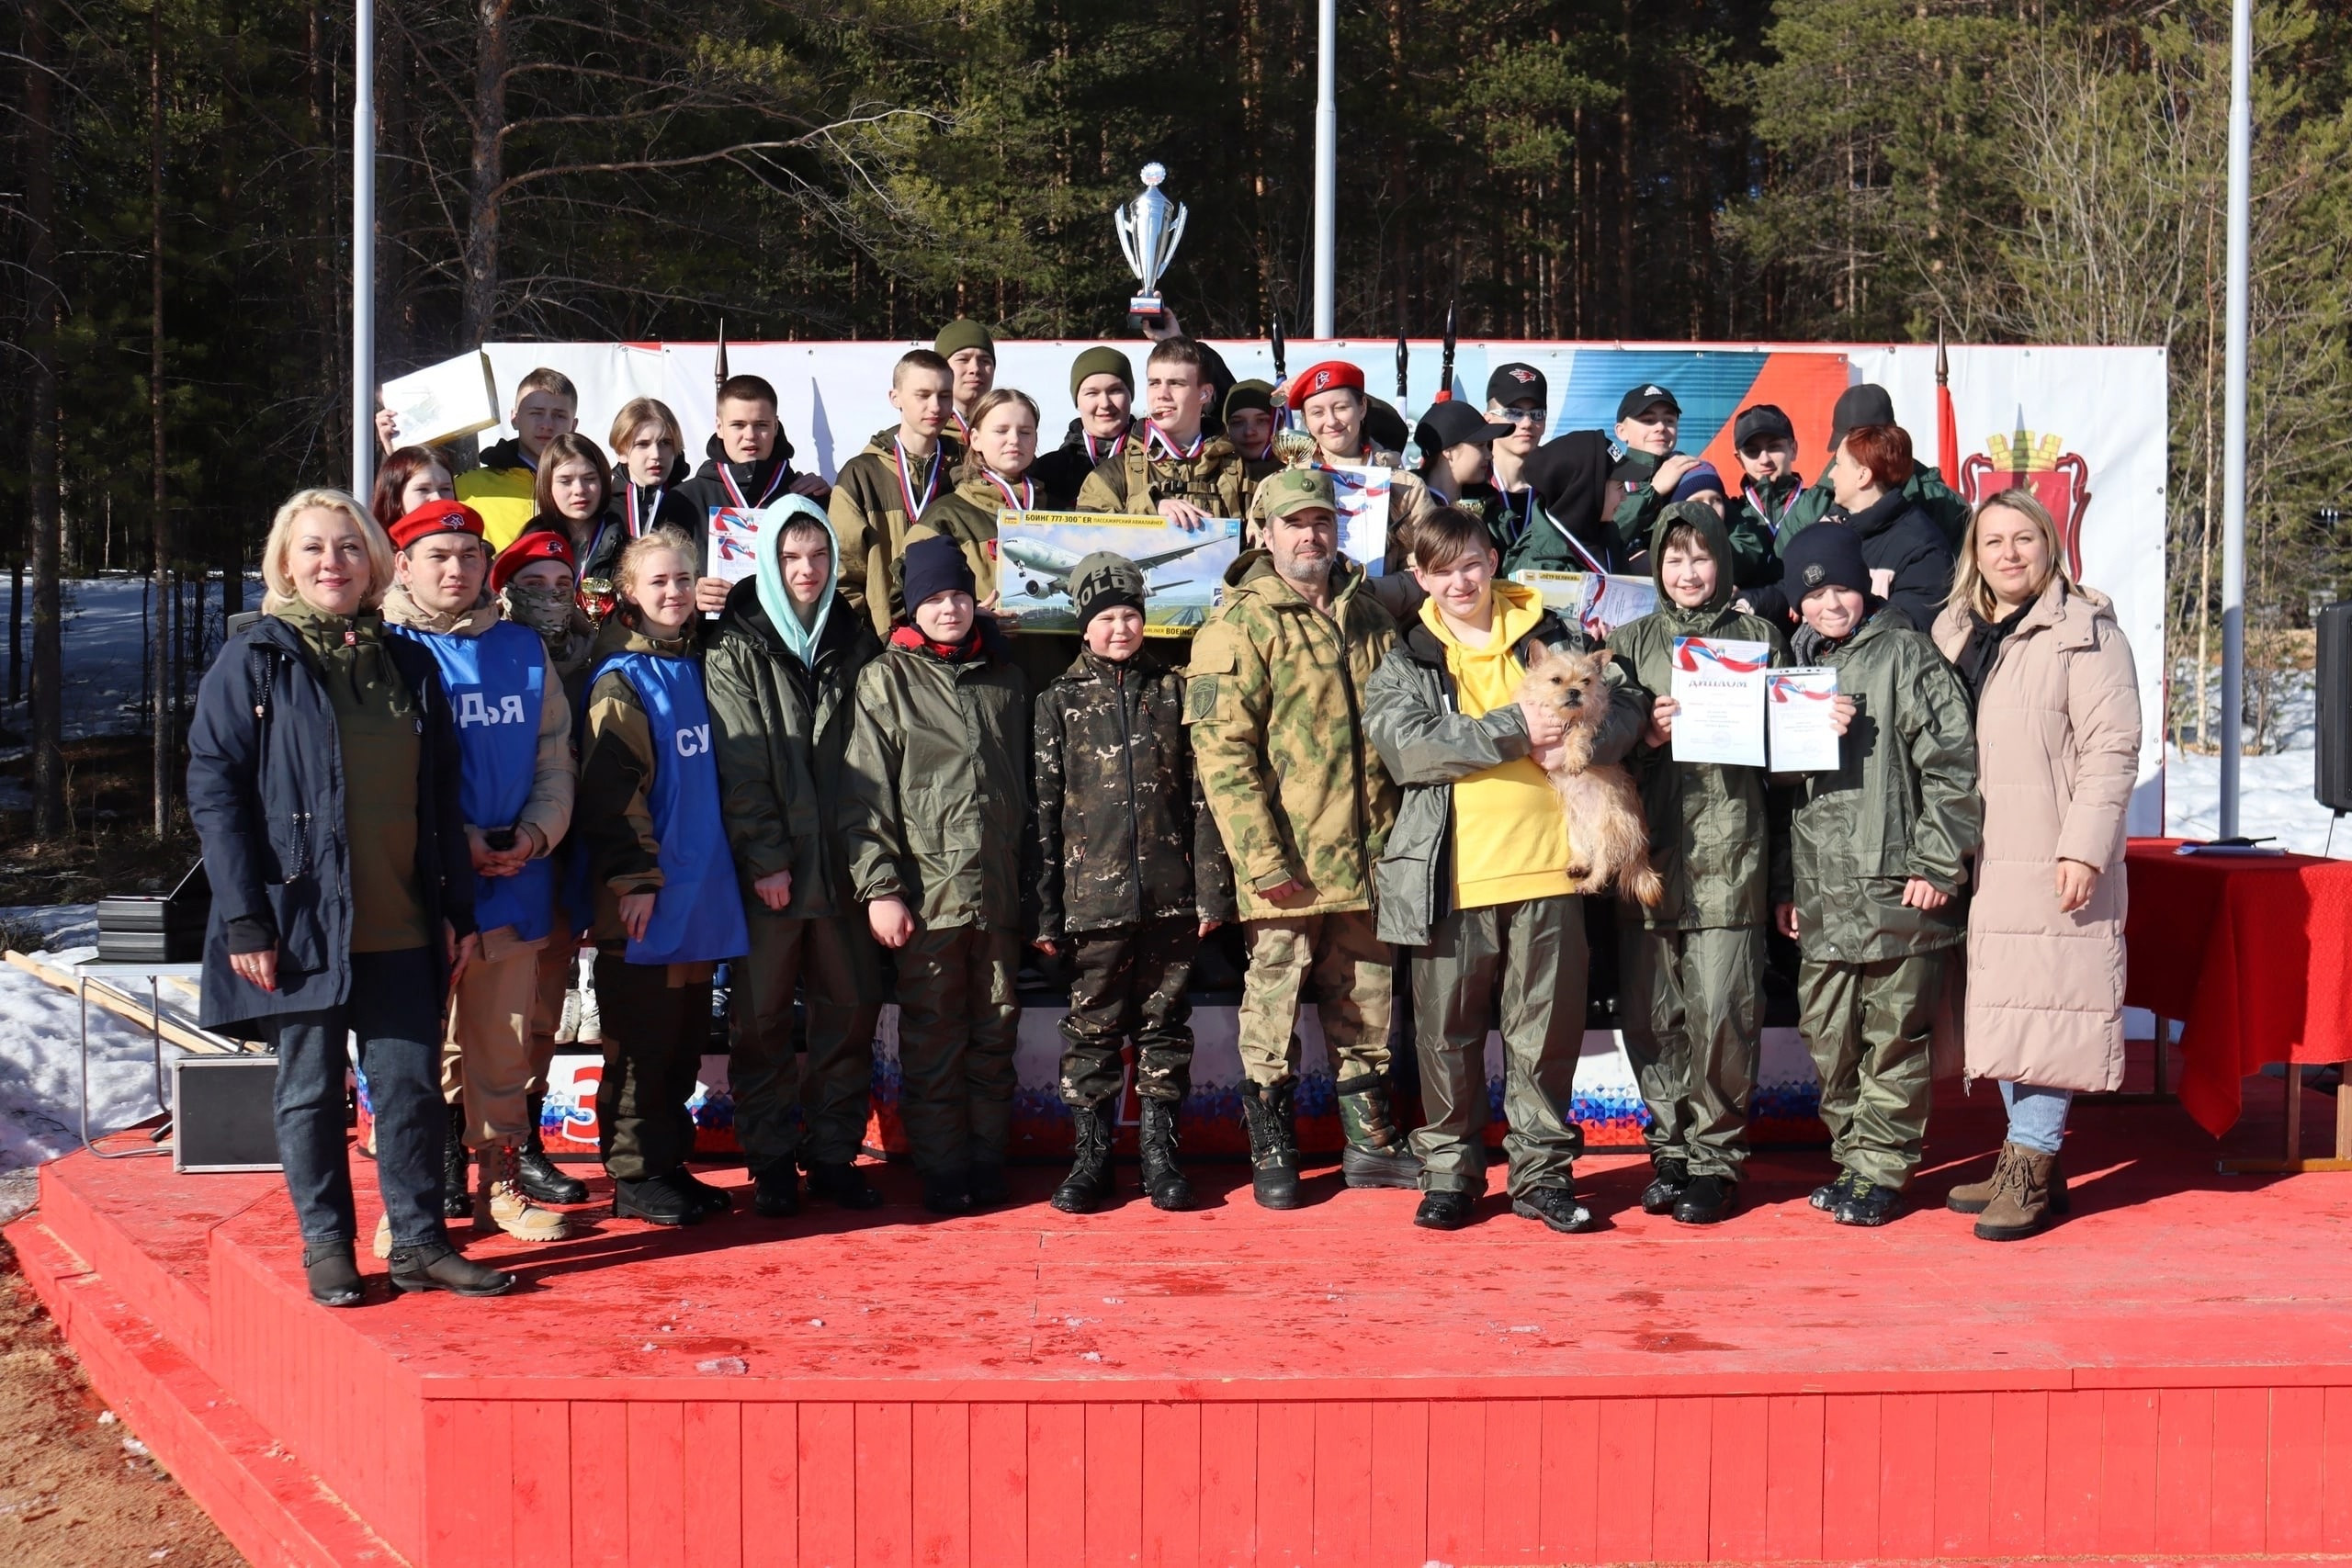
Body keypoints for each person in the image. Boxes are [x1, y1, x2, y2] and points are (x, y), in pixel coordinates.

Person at [186, 489, 511, 1304]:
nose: (332, 562)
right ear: (286, 563)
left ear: (373, 562)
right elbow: (215, 793)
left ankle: (420, 1242)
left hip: (401, 915)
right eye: (314, 549)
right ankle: (327, 1243)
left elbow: (440, 794)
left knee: (408, 1091)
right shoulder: (256, 657)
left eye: (349, 547)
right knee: (309, 1091)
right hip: (298, 921)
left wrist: (457, 908)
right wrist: (242, 917)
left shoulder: (406, 659)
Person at [1364, 506, 1646, 1235]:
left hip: (1554, 869)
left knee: (1545, 1035)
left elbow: (1624, 710)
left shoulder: (1551, 633)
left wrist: (1583, 741)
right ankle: (1451, 1174)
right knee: (1445, 1035)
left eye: (1470, 563)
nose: (1459, 580)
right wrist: (1516, 732)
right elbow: (1410, 748)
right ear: (1420, 576)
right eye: (1440, 569)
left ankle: (1543, 1177)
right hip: (1453, 872)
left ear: (1491, 560)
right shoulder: (1410, 655)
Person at [1185, 467, 1418, 1208]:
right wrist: (1261, 860)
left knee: (1368, 1002)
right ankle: (1272, 1145)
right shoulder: (1241, 623)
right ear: (1265, 533)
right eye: (1294, 523)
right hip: (1286, 863)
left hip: (1368, 858)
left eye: (1321, 521)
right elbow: (1223, 755)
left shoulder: (1370, 614)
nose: (1310, 534)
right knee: (1273, 1005)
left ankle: (1372, 1145)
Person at [1931, 491, 2140, 1240]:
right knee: (2012, 1004)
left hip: (2051, 849)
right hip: (1982, 853)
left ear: (2051, 545)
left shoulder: (2088, 634)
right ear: (1975, 555)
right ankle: (2027, 1153)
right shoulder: (1953, 630)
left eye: (2025, 538)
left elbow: (2112, 749)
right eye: (1994, 542)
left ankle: (2031, 1160)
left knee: (2051, 1002)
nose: (2010, 554)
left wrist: (2083, 846)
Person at [379, 499, 576, 1248]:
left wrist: (534, 833)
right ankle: (412, 1203)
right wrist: (449, 841)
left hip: (515, 876)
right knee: (413, 1052)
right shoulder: (386, 647)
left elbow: (556, 758)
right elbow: (377, 772)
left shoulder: (524, 649)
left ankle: (499, 1185)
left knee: (502, 1044)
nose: (456, 570)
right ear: (405, 566)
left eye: (468, 556)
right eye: (439, 557)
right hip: (418, 883)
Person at [1775, 523, 1980, 1227]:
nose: (1832, 604)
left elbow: (1954, 766)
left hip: (1898, 889)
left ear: (1865, 586)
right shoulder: (1793, 674)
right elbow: (1781, 799)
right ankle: (1853, 1157)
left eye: (1842, 587)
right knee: (1829, 1038)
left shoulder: (1906, 655)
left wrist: (1936, 861)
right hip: (1824, 898)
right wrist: (1786, 887)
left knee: (1894, 1038)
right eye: (1815, 593)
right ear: (1797, 606)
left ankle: (1880, 1171)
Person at [1033, 553, 1234, 1214]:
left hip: (1171, 897)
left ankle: (1160, 1157)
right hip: (1094, 901)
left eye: (1130, 615)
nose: (1120, 628)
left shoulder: (1174, 691)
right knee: (1091, 1033)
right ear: (1084, 628)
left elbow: (1204, 797)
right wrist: (1046, 912)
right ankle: (1091, 1160)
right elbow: (1045, 810)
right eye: (1106, 617)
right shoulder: (1057, 702)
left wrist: (1211, 888)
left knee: (1165, 1027)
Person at [706, 497, 890, 1218]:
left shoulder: (855, 640)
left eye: (817, 556)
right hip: (773, 875)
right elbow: (740, 760)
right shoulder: (737, 643)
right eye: (791, 557)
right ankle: (772, 1159)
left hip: (846, 868)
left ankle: (833, 1153)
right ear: (768, 562)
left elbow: (876, 755)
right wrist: (766, 857)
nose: (806, 570)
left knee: (847, 1016)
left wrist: (871, 864)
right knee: (762, 1025)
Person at [1606, 502, 1789, 1224]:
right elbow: (1597, 750)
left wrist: (1805, 722)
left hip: (1733, 856)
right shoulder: (1629, 643)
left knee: (1723, 1013)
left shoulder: (1760, 638)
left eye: (1700, 557)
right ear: (1657, 566)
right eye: (1674, 559)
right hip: (1650, 857)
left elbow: (1784, 767)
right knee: (1655, 1015)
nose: (1687, 572)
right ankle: (1671, 1148)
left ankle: (1716, 1159)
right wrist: (1643, 735)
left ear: (1723, 561)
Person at [842, 536, 1034, 1215]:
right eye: (932, 598)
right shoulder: (886, 679)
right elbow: (866, 796)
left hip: (998, 893)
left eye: (957, 594)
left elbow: (1027, 791)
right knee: (934, 1040)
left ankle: (987, 1160)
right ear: (911, 606)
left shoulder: (1004, 679)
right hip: (928, 896)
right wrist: (881, 888)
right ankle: (943, 1168)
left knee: (994, 1034)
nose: (948, 608)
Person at [576, 528, 751, 1226]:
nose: (674, 593)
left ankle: (666, 1162)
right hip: (645, 900)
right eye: (659, 583)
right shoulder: (621, 678)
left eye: (684, 580)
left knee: (679, 1042)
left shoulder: (705, 663)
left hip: (700, 893)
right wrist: (633, 880)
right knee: (639, 1041)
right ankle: (633, 1172)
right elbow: (611, 792)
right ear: (629, 594)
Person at [490, 527, 597, 1206]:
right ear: (506, 590)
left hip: (567, 852)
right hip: (497, 853)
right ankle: (457, 1145)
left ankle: (521, 1144)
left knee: (541, 1012)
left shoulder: (598, 651)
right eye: (534, 586)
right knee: (473, 1017)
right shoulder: (491, 650)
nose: (551, 599)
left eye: (563, 586)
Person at [1756, 423, 1953, 637]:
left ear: (1862, 476)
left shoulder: (1922, 548)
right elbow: (1797, 581)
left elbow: (1907, 631)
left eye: (1838, 464)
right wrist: (1751, 602)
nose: (1831, 474)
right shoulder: (1831, 524)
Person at [1250, 359, 1433, 569]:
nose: (1331, 421)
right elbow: (1260, 566)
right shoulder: (1277, 485)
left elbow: (1424, 569)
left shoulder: (1406, 487)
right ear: (1305, 420)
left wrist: (1367, 592)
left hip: (1380, 601)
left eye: (1341, 407)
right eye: (1317, 412)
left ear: (1362, 407)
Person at [831, 350, 962, 637]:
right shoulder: (862, 474)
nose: (935, 406)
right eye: (922, 395)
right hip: (883, 643)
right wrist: (864, 640)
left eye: (944, 395)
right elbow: (843, 573)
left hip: (953, 641)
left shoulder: (965, 471)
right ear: (895, 398)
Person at [682, 373, 831, 615]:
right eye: (738, 425)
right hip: (711, 643)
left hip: (787, 641)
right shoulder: (686, 500)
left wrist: (830, 499)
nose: (750, 436)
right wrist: (688, 590)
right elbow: (659, 577)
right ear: (719, 427)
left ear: (775, 425)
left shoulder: (808, 497)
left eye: (761, 425)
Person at [1076, 337, 1251, 525]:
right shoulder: (1112, 475)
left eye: (1176, 383)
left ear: (1205, 394)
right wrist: (1148, 509)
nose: (1162, 394)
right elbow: (1085, 543)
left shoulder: (1242, 471)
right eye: (1154, 383)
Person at [1777, 384, 1972, 550]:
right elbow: (1786, 572)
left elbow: (1963, 575)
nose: (1861, 452)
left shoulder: (1939, 501)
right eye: (1852, 444)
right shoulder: (1814, 504)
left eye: (1868, 442)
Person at [458, 367, 580, 550]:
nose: (547, 425)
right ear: (515, 418)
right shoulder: (467, 488)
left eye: (559, 415)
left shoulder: (588, 489)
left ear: (573, 425)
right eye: (536, 413)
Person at [1505, 429, 1634, 576]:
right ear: (1587, 491)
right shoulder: (1537, 565)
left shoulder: (1608, 534)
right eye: (1619, 487)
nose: (1624, 496)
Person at [1602, 382, 1703, 566]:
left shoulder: (1692, 473)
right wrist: (1654, 491)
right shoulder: (1604, 477)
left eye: (1669, 420)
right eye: (1648, 420)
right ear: (1621, 431)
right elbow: (1595, 537)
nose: (1660, 427)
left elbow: (1741, 540)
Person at [522, 432, 626, 609]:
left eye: (589, 479)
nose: (579, 490)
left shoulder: (624, 546)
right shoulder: (528, 547)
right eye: (565, 481)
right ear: (547, 486)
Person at [1033, 347, 1137, 509]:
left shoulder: (1156, 462)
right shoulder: (1050, 469)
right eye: (1092, 393)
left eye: (1115, 390)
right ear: (1077, 401)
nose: (1105, 404)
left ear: (1130, 395)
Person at [1725, 404, 1801, 591]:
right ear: (1739, 459)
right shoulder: (1730, 515)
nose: (1764, 459)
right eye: (1752, 451)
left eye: (1774, 447)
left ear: (1793, 449)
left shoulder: (1823, 505)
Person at [1411, 401, 1517, 534]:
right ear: (1448, 452)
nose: (1489, 455)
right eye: (1480, 445)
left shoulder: (1491, 510)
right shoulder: (1405, 508)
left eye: (1488, 446)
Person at [606, 397, 700, 544]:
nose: (656, 454)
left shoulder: (693, 502)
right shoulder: (604, 505)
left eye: (665, 442)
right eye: (643, 444)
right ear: (621, 453)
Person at [1483, 362, 1550, 555]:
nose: (1527, 423)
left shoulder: (1557, 489)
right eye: (1514, 413)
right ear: (1489, 420)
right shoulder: (1470, 488)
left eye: (1537, 414)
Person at [934, 319, 998, 442]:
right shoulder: (926, 433)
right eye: (963, 360)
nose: (975, 369)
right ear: (941, 369)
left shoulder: (1008, 429)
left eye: (985, 361)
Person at [371, 446, 457, 527]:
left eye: (445, 489)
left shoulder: (468, 538)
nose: (438, 498)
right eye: (423, 489)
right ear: (394, 496)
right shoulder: (372, 541)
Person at [1223, 381, 1283, 488]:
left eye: (1261, 421)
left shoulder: (1300, 473)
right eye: (1237, 422)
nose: (1249, 432)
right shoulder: (1210, 477)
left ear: (1278, 424)